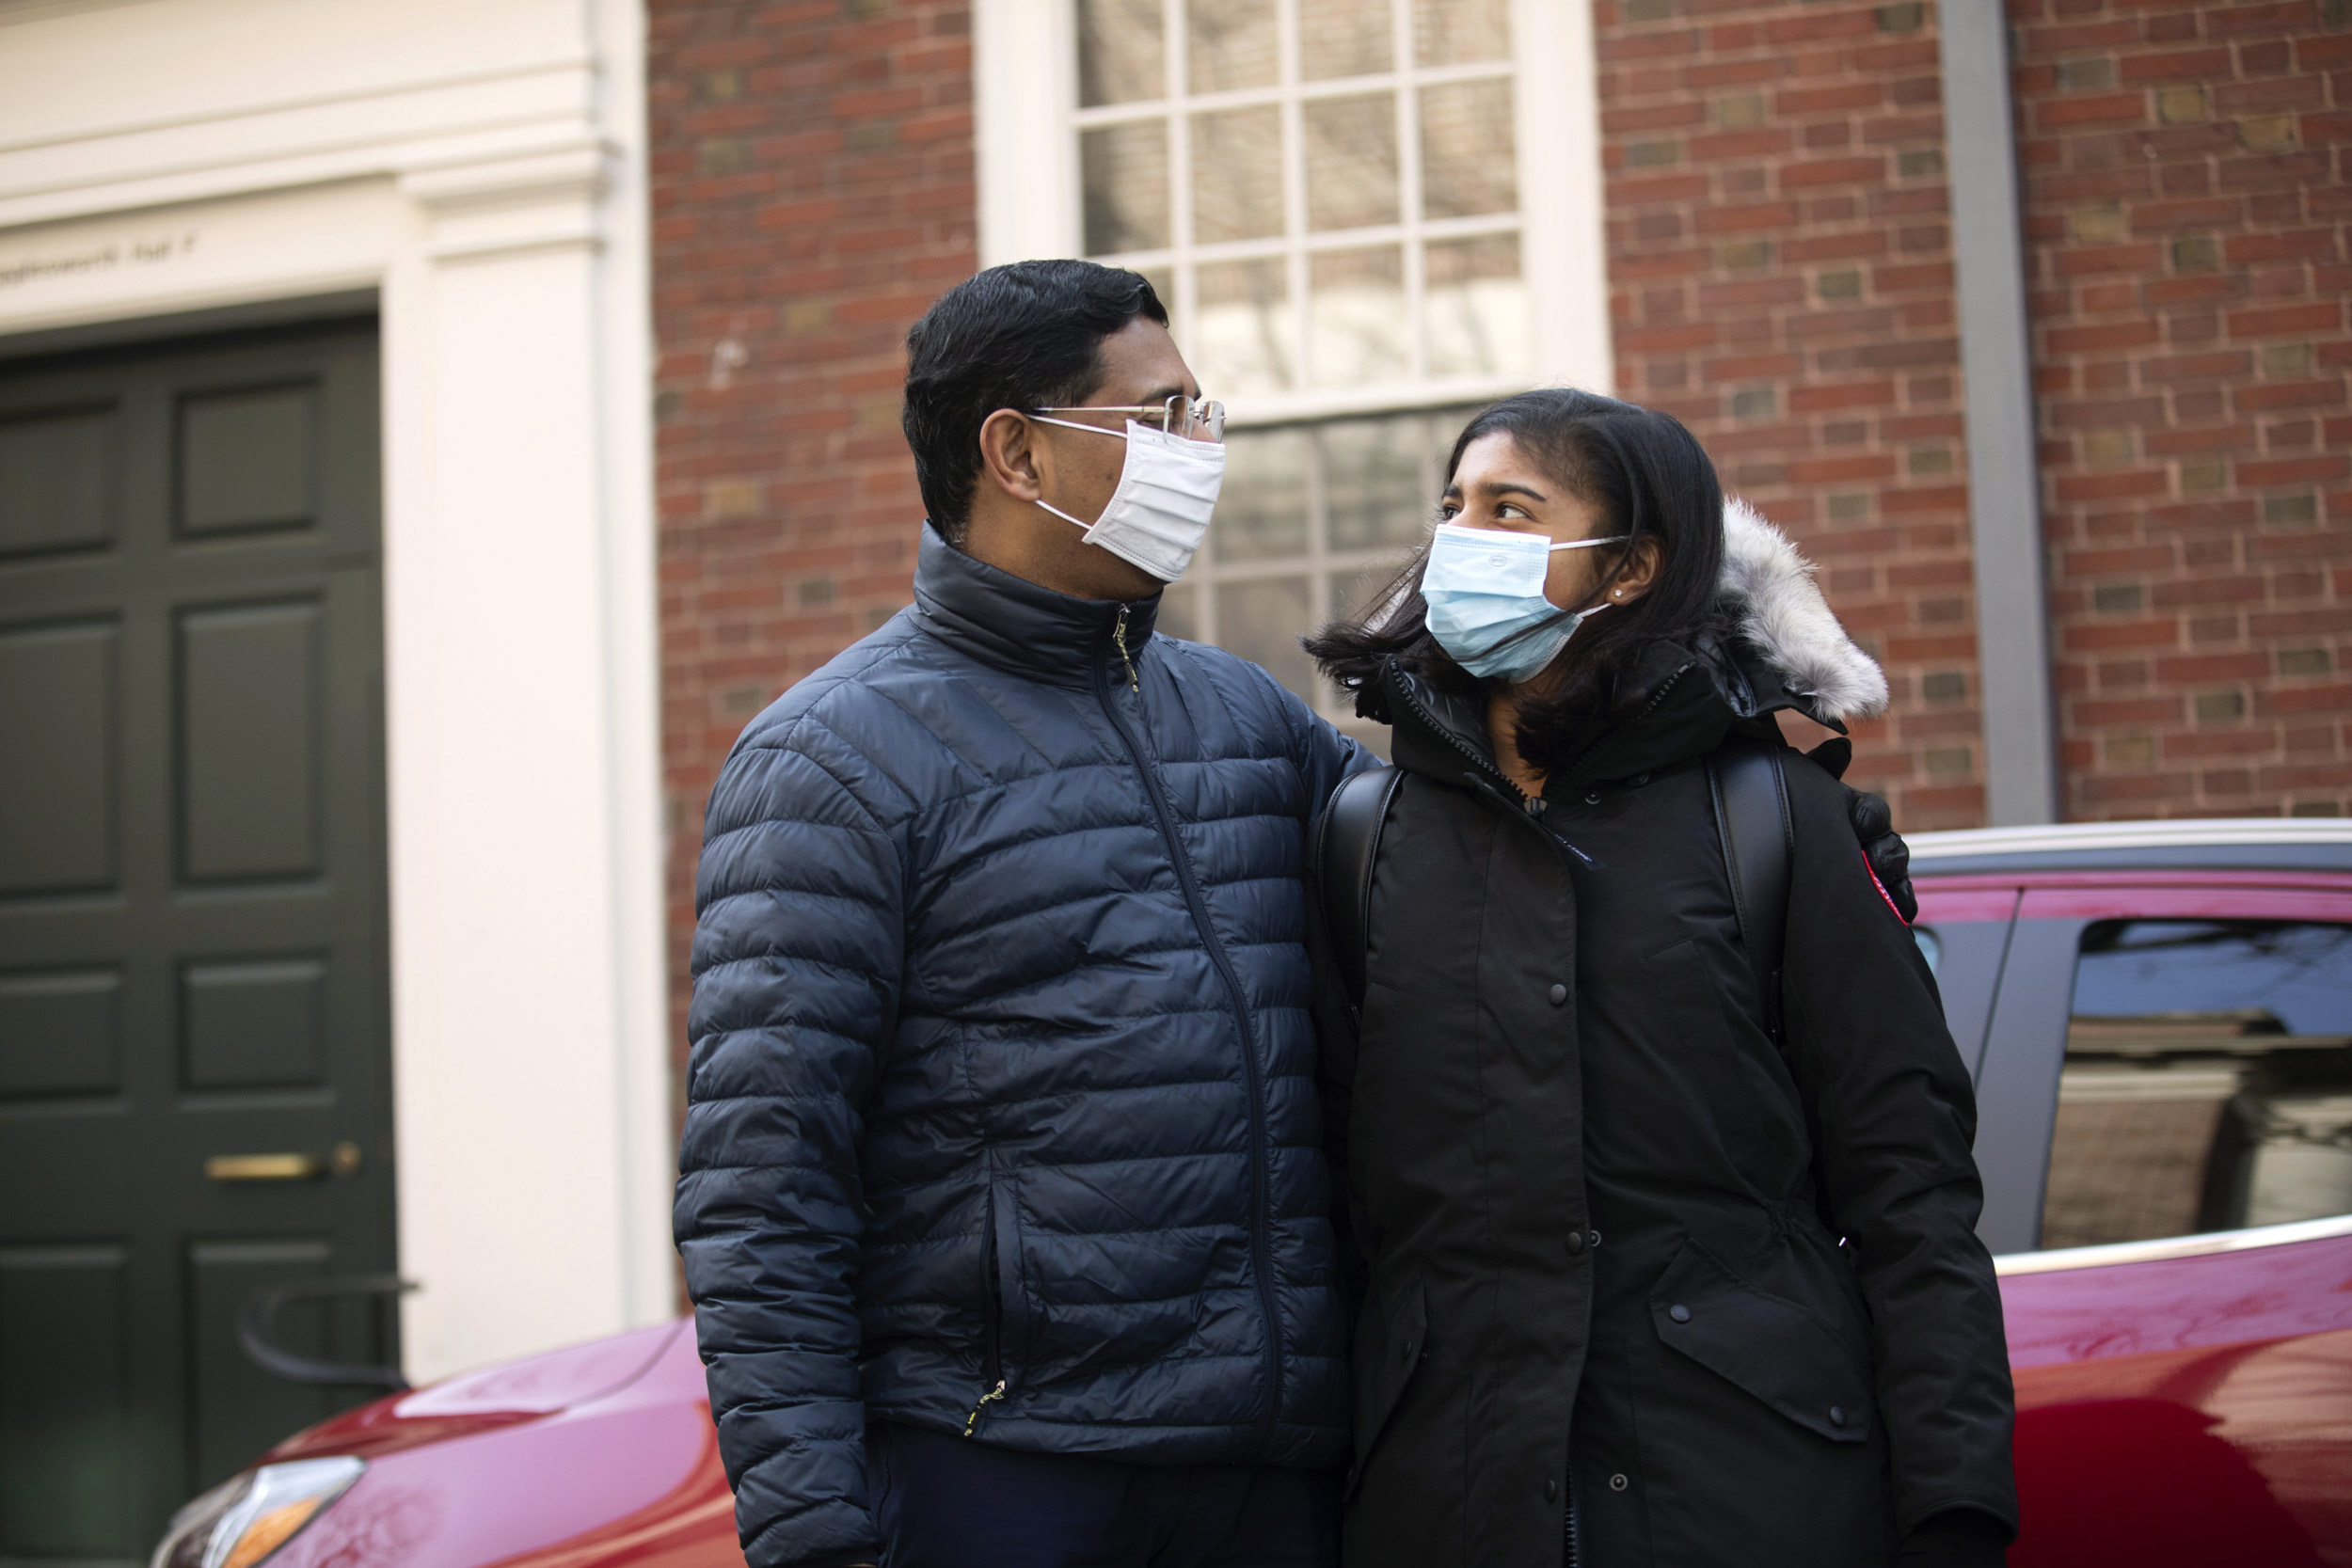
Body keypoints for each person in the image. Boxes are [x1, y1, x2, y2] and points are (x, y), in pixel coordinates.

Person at [675, 260, 1368, 1568]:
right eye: (1161, 416)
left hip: (1275, 1469)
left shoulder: (1244, 714)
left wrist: (1729, 759)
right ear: (1018, 451)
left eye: (1202, 413)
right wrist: (818, 1531)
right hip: (1002, 1471)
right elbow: (765, 1188)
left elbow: (1457, 869)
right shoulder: (830, 761)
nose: (1200, 449)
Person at [1302, 389, 2018, 1568]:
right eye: (1452, 508)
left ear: (1630, 567)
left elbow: (1912, 1192)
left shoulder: (1773, 820)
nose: (1460, 542)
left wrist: (1953, 1505)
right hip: (1450, 1497)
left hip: (1746, 1487)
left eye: (1511, 509)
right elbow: (1341, 1208)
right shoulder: (1365, 835)